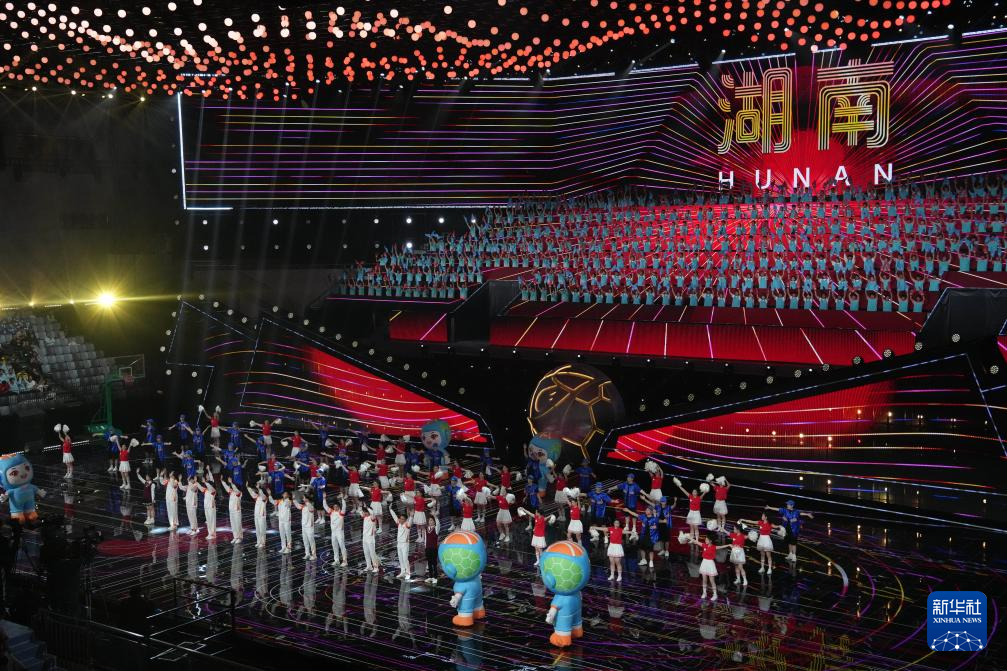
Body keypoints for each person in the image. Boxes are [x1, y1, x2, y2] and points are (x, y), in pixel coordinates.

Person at [690, 534, 730, 601]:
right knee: (704, 580)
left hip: (710, 563)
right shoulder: (704, 545)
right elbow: (696, 542)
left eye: (707, 539)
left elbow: (721, 546)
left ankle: (715, 594)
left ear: (710, 541)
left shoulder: (714, 547)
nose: (705, 540)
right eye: (705, 539)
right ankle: (704, 593)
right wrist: (688, 537)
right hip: (704, 563)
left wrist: (728, 545)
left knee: (712, 581)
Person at [322, 495, 348, 566]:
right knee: (334, 546)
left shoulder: (341, 513)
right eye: (334, 507)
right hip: (333, 532)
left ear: (339, 507)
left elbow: (344, 506)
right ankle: (336, 560)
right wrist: (324, 498)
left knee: (342, 546)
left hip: (339, 532)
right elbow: (325, 506)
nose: (335, 508)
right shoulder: (331, 512)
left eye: (336, 507)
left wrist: (342, 499)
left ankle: (345, 561)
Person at [388, 505, 412, 580]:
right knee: (400, 558)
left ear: (405, 520)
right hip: (399, 543)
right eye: (400, 518)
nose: (401, 520)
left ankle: (408, 573)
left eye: (402, 519)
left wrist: (411, 516)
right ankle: (402, 571)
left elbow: (410, 521)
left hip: (405, 544)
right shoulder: (399, 523)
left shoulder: (407, 525)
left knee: (405, 559)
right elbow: (394, 516)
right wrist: (390, 509)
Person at [220, 478, 244, 544]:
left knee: (238, 524)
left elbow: (235, 489)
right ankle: (235, 537)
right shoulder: (231, 492)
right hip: (231, 511)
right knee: (233, 524)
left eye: (233, 487)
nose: (231, 488)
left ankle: (239, 537)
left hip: (237, 511)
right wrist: (222, 481)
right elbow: (226, 487)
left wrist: (231, 483)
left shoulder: (239, 493)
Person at [293, 494, 316, 560]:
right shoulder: (303, 506)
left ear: (307, 499)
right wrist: (294, 500)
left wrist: (307, 501)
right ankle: (307, 554)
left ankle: (314, 555)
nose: (303, 499)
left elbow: (310, 509)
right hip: (304, 526)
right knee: (305, 541)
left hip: (309, 527)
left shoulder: (311, 506)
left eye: (304, 498)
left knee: (311, 541)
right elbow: (297, 506)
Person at [246, 484, 269, 548]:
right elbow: (251, 493)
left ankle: (263, 542)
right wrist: (248, 487)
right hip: (256, 515)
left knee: (262, 529)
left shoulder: (264, 498)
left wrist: (259, 489)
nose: (256, 492)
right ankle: (258, 541)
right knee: (257, 529)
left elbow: (262, 494)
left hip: (262, 515)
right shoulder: (257, 497)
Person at [360, 506, 380, 572]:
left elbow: (372, 513)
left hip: (370, 538)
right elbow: (359, 511)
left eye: (366, 512)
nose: (364, 513)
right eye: (364, 512)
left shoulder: (372, 517)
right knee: (366, 552)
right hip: (364, 537)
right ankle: (369, 566)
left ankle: (376, 567)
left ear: (369, 512)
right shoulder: (365, 517)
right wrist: (360, 506)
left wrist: (367, 507)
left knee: (372, 553)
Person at [423, 517, 440, 584]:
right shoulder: (426, 529)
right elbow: (425, 539)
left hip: (434, 548)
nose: (430, 521)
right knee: (429, 563)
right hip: (428, 548)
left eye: (432, 520)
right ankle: (430, 576)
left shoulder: (436, 528)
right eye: (429, 520)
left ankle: (435, 577)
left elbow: (438, 524)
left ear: (434, 521)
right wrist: (425, 547)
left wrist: (435, 516)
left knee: (434, 563)